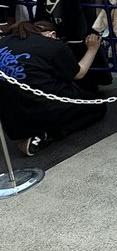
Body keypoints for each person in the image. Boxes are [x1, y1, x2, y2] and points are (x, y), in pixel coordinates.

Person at [0, 19, 104, 155]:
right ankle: (48, 134)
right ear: (52, 34)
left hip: (8, 114)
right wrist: (92, 49)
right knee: (97, 106)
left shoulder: (6, 41)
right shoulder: (53, 45)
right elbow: (79, 73)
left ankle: (36, 131)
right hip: (39, 107)